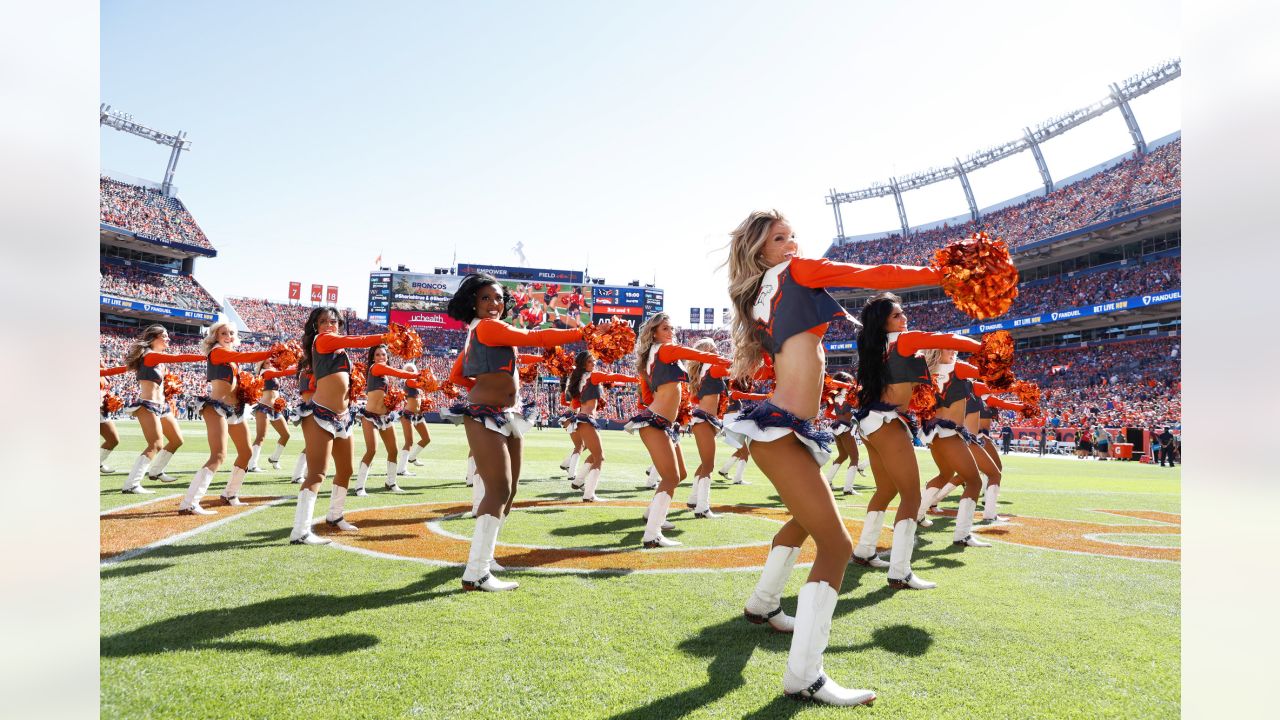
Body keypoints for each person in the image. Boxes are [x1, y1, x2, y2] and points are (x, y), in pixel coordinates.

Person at [723, 209, 943, 705]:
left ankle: (761, 606)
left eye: (793, 234)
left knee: (802, 523)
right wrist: (942, 272)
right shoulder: (797, 273)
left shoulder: (765, 292)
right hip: (780, 430)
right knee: (837, 546)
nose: (793, 243)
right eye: (780, 238)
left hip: (790, 429)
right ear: (760, 249)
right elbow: (875, 277)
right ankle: (805, 676)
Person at [446, 273, 581, 591]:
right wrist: (581, 332)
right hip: (486, 415)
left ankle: (486, 559)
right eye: (485, 298)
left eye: (498, 298)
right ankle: (475, 573)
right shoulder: (490, 327)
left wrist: (484, 382)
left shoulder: (485, 332)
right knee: (499, 490)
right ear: (473, 303)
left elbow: (456, 374)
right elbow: (536, 338)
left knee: (509, 491)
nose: (494, 304)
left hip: (508, 415)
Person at [850, 293, 981, 586]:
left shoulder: (876, 346)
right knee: (911, 496)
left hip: (871, 423)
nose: (904, 318)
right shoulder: (903, 341)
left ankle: (864, 551)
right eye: (897, 315)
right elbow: (945, 338)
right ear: (884, 324)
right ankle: (900, 571)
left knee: (885, 489)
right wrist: (981, 347)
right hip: (888, 423)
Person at [289, 307, 392, 544]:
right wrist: (387, 337)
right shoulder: (322, 339)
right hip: (320, 414)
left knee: (345, 470)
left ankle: (335, 516)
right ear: (316, 326)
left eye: (333, 321)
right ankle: (300, 531)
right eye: (323, 321)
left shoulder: (339, 349)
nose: (328, 325)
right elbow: (360, 340)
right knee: (317, 473)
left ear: (339, 324)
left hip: (343, 416)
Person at [625, 313, 729, 547]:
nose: (670, 332)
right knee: (671, 477)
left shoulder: (658, 353)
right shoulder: (665, 349)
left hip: (664, 424)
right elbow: (693, 354)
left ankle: (654, 515)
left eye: (672, 328)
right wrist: (720, 359)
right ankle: (652, 534)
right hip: (655, 422)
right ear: (654, 333)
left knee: (679, 474)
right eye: (665, 328)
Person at [180, 322, 273, 515]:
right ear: (215, 336)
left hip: (235, 410)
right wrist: (269, 353)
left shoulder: (229, 356)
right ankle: (189, 503)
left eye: (231, 333)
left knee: (246, 453)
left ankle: (230, 494)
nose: (228, 336)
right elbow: (243, 355)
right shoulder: (217, 352)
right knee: (219, 455)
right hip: (217, 408)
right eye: (223, 333)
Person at [120, 325, 205, 493]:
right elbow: (179, 358)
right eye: (164, 336)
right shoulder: (151, 356)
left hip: (162, 406)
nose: (168, 339)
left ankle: (156, 471)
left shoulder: (160, 362)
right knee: (155, 444)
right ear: (153, 339)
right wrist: (206, 357)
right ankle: (131, 484)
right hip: (147, 405)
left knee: (176, 440)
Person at [566, 351, 639, 502]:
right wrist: (635, 378)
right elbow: (613, 377)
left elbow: (575, 403)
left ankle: (578, 481)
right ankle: (589, 494)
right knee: (600, 457)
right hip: (586, 420)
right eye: (590, 362)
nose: (594, 364)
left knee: (594, 454)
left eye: (594, 361)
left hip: (582, 420)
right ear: (583, 364)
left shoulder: (580, 379)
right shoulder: (593, 376)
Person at [354, 344, 417, 496]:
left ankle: (391, 482)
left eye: (383, 355)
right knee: (372, 450)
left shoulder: (385, 376)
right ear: (373, 358)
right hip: (370, 417)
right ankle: (359, 487)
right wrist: (415, 375)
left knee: (393, 450)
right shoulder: (375, 368)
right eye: (377, 355)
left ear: (387, 357)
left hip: (385, 417)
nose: (381, 357)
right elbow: (399, 373)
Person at [247, 360, 296, 472]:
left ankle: (274, 458)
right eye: (266, 363)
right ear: (262, 365)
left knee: (286, 435)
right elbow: (284, 373)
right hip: (264, 408)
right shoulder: (265, 373)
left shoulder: (273, 373)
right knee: (261, 437)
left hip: (275, 410)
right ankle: (252, 464)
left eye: (271, 362)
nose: (269, 364)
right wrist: (298, 368)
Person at [100, 361, 127, 473]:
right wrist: (130, 367)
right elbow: (110, 371)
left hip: (102, 409)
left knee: (113, 440)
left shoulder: (102, 369)